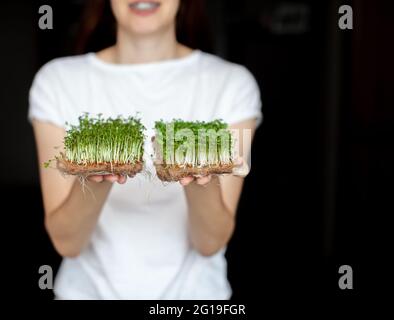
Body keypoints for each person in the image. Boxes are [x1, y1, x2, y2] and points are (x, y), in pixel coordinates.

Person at [28, 0, 262, 299]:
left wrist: (198, 178)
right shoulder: (56, 81)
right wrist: (98, 177)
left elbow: (210, 243)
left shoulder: (234, 84)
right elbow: (68, 244)